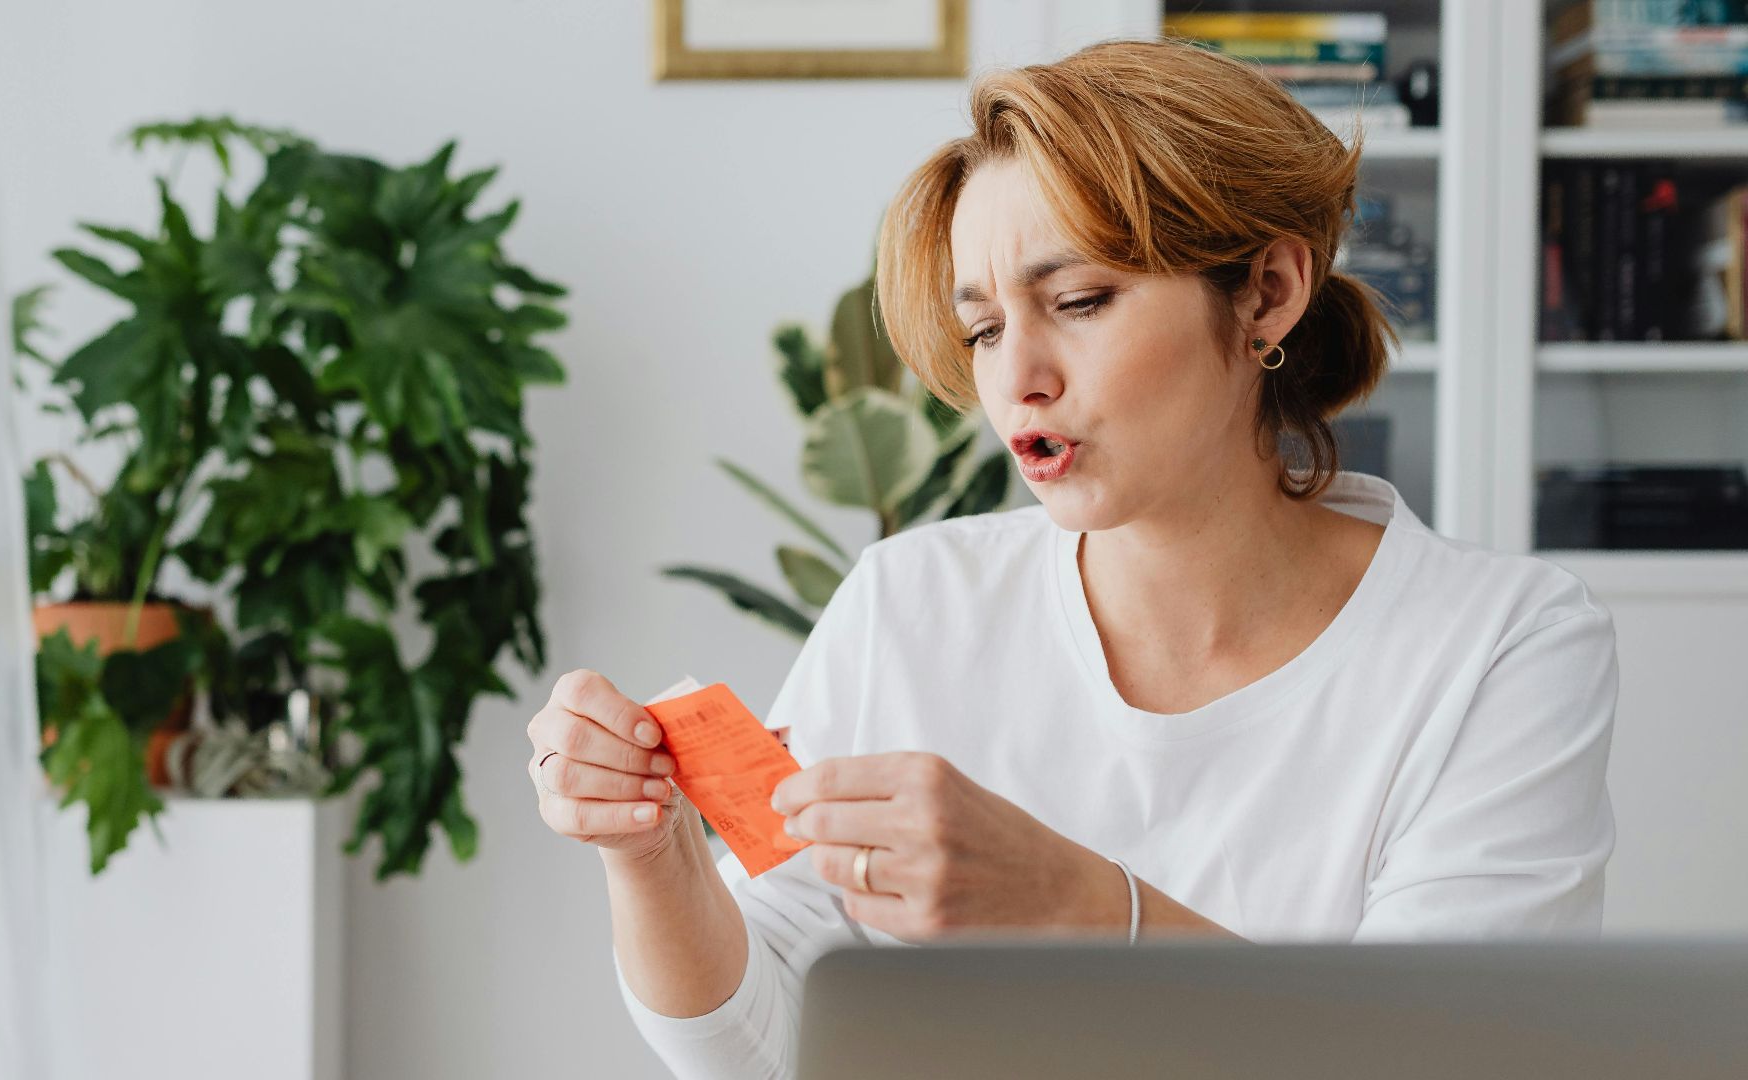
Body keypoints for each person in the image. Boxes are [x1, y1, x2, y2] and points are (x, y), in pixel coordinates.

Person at [526, 38, 1618, 1080]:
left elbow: (1451, 1059)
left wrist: (1084, 906)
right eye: (986, 330)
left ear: (1269, 293)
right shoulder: (912, 602)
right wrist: (653, 857)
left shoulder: (1500, 642)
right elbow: (765, 1049)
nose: (1019, 381)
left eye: (1080, 300)